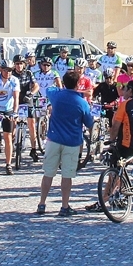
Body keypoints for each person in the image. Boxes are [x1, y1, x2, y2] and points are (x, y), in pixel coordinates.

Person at [90, 80, 133, 212]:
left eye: (126, 88)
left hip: (125, 143)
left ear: (131, 91)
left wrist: (110, 142)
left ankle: (103, 201)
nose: (123, 91)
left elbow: (115, 126)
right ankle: (121, 196)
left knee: (114, 172)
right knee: (122, 170)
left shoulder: (125, 104)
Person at [36, 72, 93, 217]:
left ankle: (42, 203)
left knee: (48, 173)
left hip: (54, 139)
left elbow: (49, 89)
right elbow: (89, 122)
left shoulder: (57, 95)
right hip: (72, 142)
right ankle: (64, 206)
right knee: (67, 175)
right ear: (77, 84)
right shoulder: (81, 102)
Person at [11, 54, 41, 161]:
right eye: (17, 64)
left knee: (32, 124)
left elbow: (36, 85)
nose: (19, 66)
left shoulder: (28, 73)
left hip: (26, 99)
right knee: (13, 124)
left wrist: (32, 93)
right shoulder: (11, 74)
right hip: (15, 100)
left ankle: (33, 149)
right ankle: (12, 146)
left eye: (21, 64)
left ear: (24, 65)